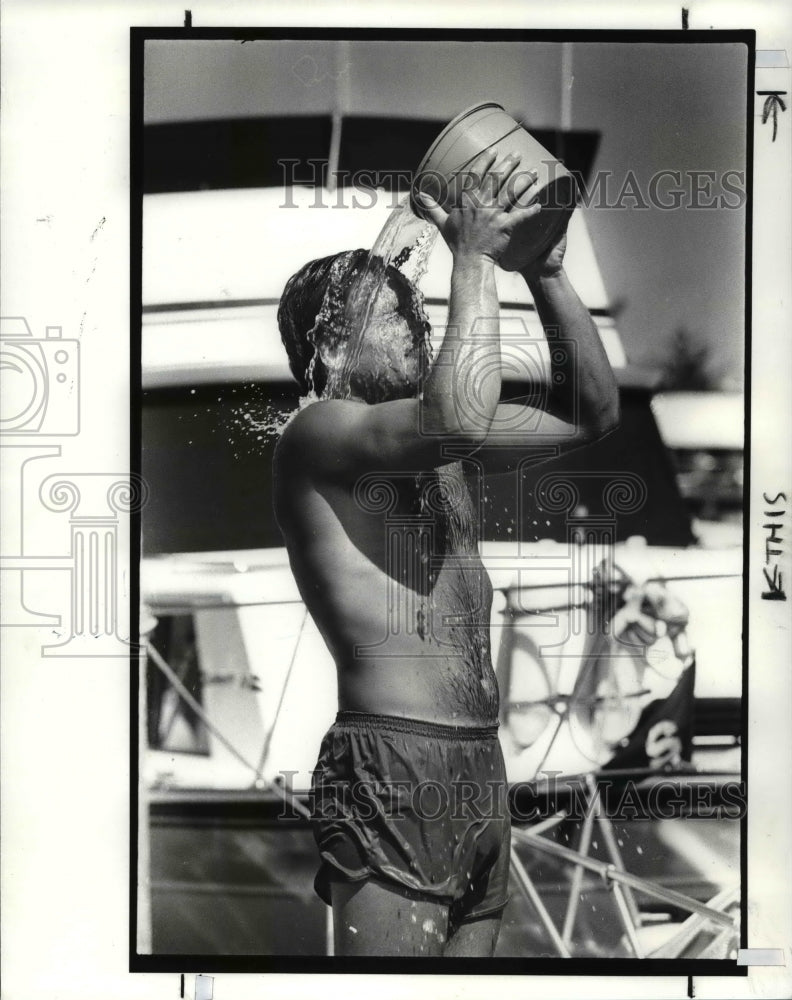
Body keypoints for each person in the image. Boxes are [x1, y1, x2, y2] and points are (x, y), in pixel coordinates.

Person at [273, 149, 620, 957]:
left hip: (479, 764)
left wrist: (549, 273)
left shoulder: (435, 442)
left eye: (413, 308)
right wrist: (470, 255)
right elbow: (459, 417)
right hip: (393, 757)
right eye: (388, 313)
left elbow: (594, 415)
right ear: (328, 350)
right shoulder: (318, 432)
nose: (416, 322)